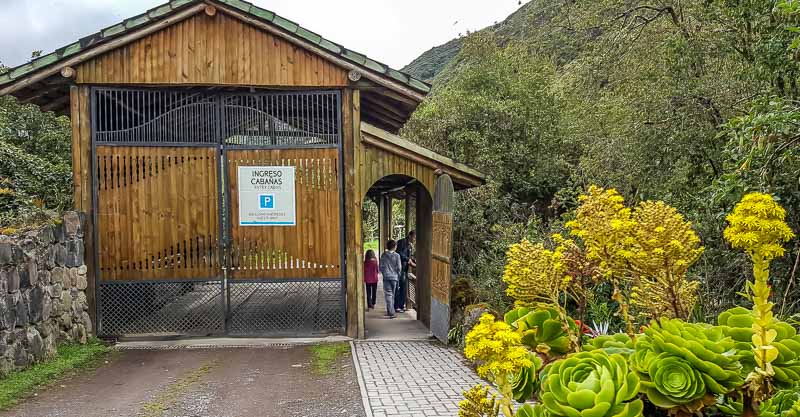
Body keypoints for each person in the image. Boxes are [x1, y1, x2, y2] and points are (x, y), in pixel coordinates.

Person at [379, 240, 402, 318]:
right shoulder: (397, 255)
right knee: (393, 294)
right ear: (395, 247)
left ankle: (390, 311)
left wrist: (384, 273)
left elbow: (381, 266)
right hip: (394, 277)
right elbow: (399, 267)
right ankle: (391, 312)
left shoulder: (383, 255)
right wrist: (398, 275)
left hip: (386, 277)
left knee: (388, 294)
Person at [395, 231, 416, 312]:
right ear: (410, 235)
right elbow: (398, 253)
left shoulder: (409, 244)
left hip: (405, 268)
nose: (414, 240)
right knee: (400, 288)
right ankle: (398, 306)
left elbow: (408, 256)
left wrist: (413, 260)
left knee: (403, 288)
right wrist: (408, 260)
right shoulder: (402, 242)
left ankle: (400, 305)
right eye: (414, 237)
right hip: (400, 268)